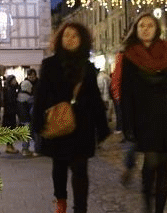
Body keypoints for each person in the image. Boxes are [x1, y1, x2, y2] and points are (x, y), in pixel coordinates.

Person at [32, 22, 109, 213]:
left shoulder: (88, 67)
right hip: (58, 123)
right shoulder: (49, 65)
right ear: (60, 38)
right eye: (66, 35)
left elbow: (95, 99)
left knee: (80, 170)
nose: (70, 39)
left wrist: (102, 126)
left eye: (75, 36)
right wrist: (37, 123)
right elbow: (40, 95)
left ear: (81, 40)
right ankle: (61, 200)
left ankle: (80, 208)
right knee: (59, 167)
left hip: (82, 126)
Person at [113, 12, 167, 213]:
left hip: (165, 115)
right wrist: (127, 126)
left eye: (150, 25)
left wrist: (162, 79)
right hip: (142, 117)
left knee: (165, 165)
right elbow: (125, 92)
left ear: (156, 28)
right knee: (151, 163)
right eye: (142, 25)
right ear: (136, 28)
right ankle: (147, 204)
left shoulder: (166, 51)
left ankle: (159, 209)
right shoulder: (129, 55)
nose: (146, 28)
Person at [18, 68, 38, 156]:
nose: (31, 78)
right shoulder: (29, 98)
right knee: (32, 133)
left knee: (28, 133)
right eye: (30, 76)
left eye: (33, 76)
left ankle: (25, 149)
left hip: (23, 117)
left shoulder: (20, 95)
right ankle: (32, 149)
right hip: (29, 117)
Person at [2, 74, 20, 154]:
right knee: (10, 130)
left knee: (11, 130)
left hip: (9, 113)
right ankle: (9, 146)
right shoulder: (10, 90)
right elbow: (11, 102)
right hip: (10, 114)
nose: (15, 81)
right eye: (14, 80)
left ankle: (10, 146)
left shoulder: (10, 89)